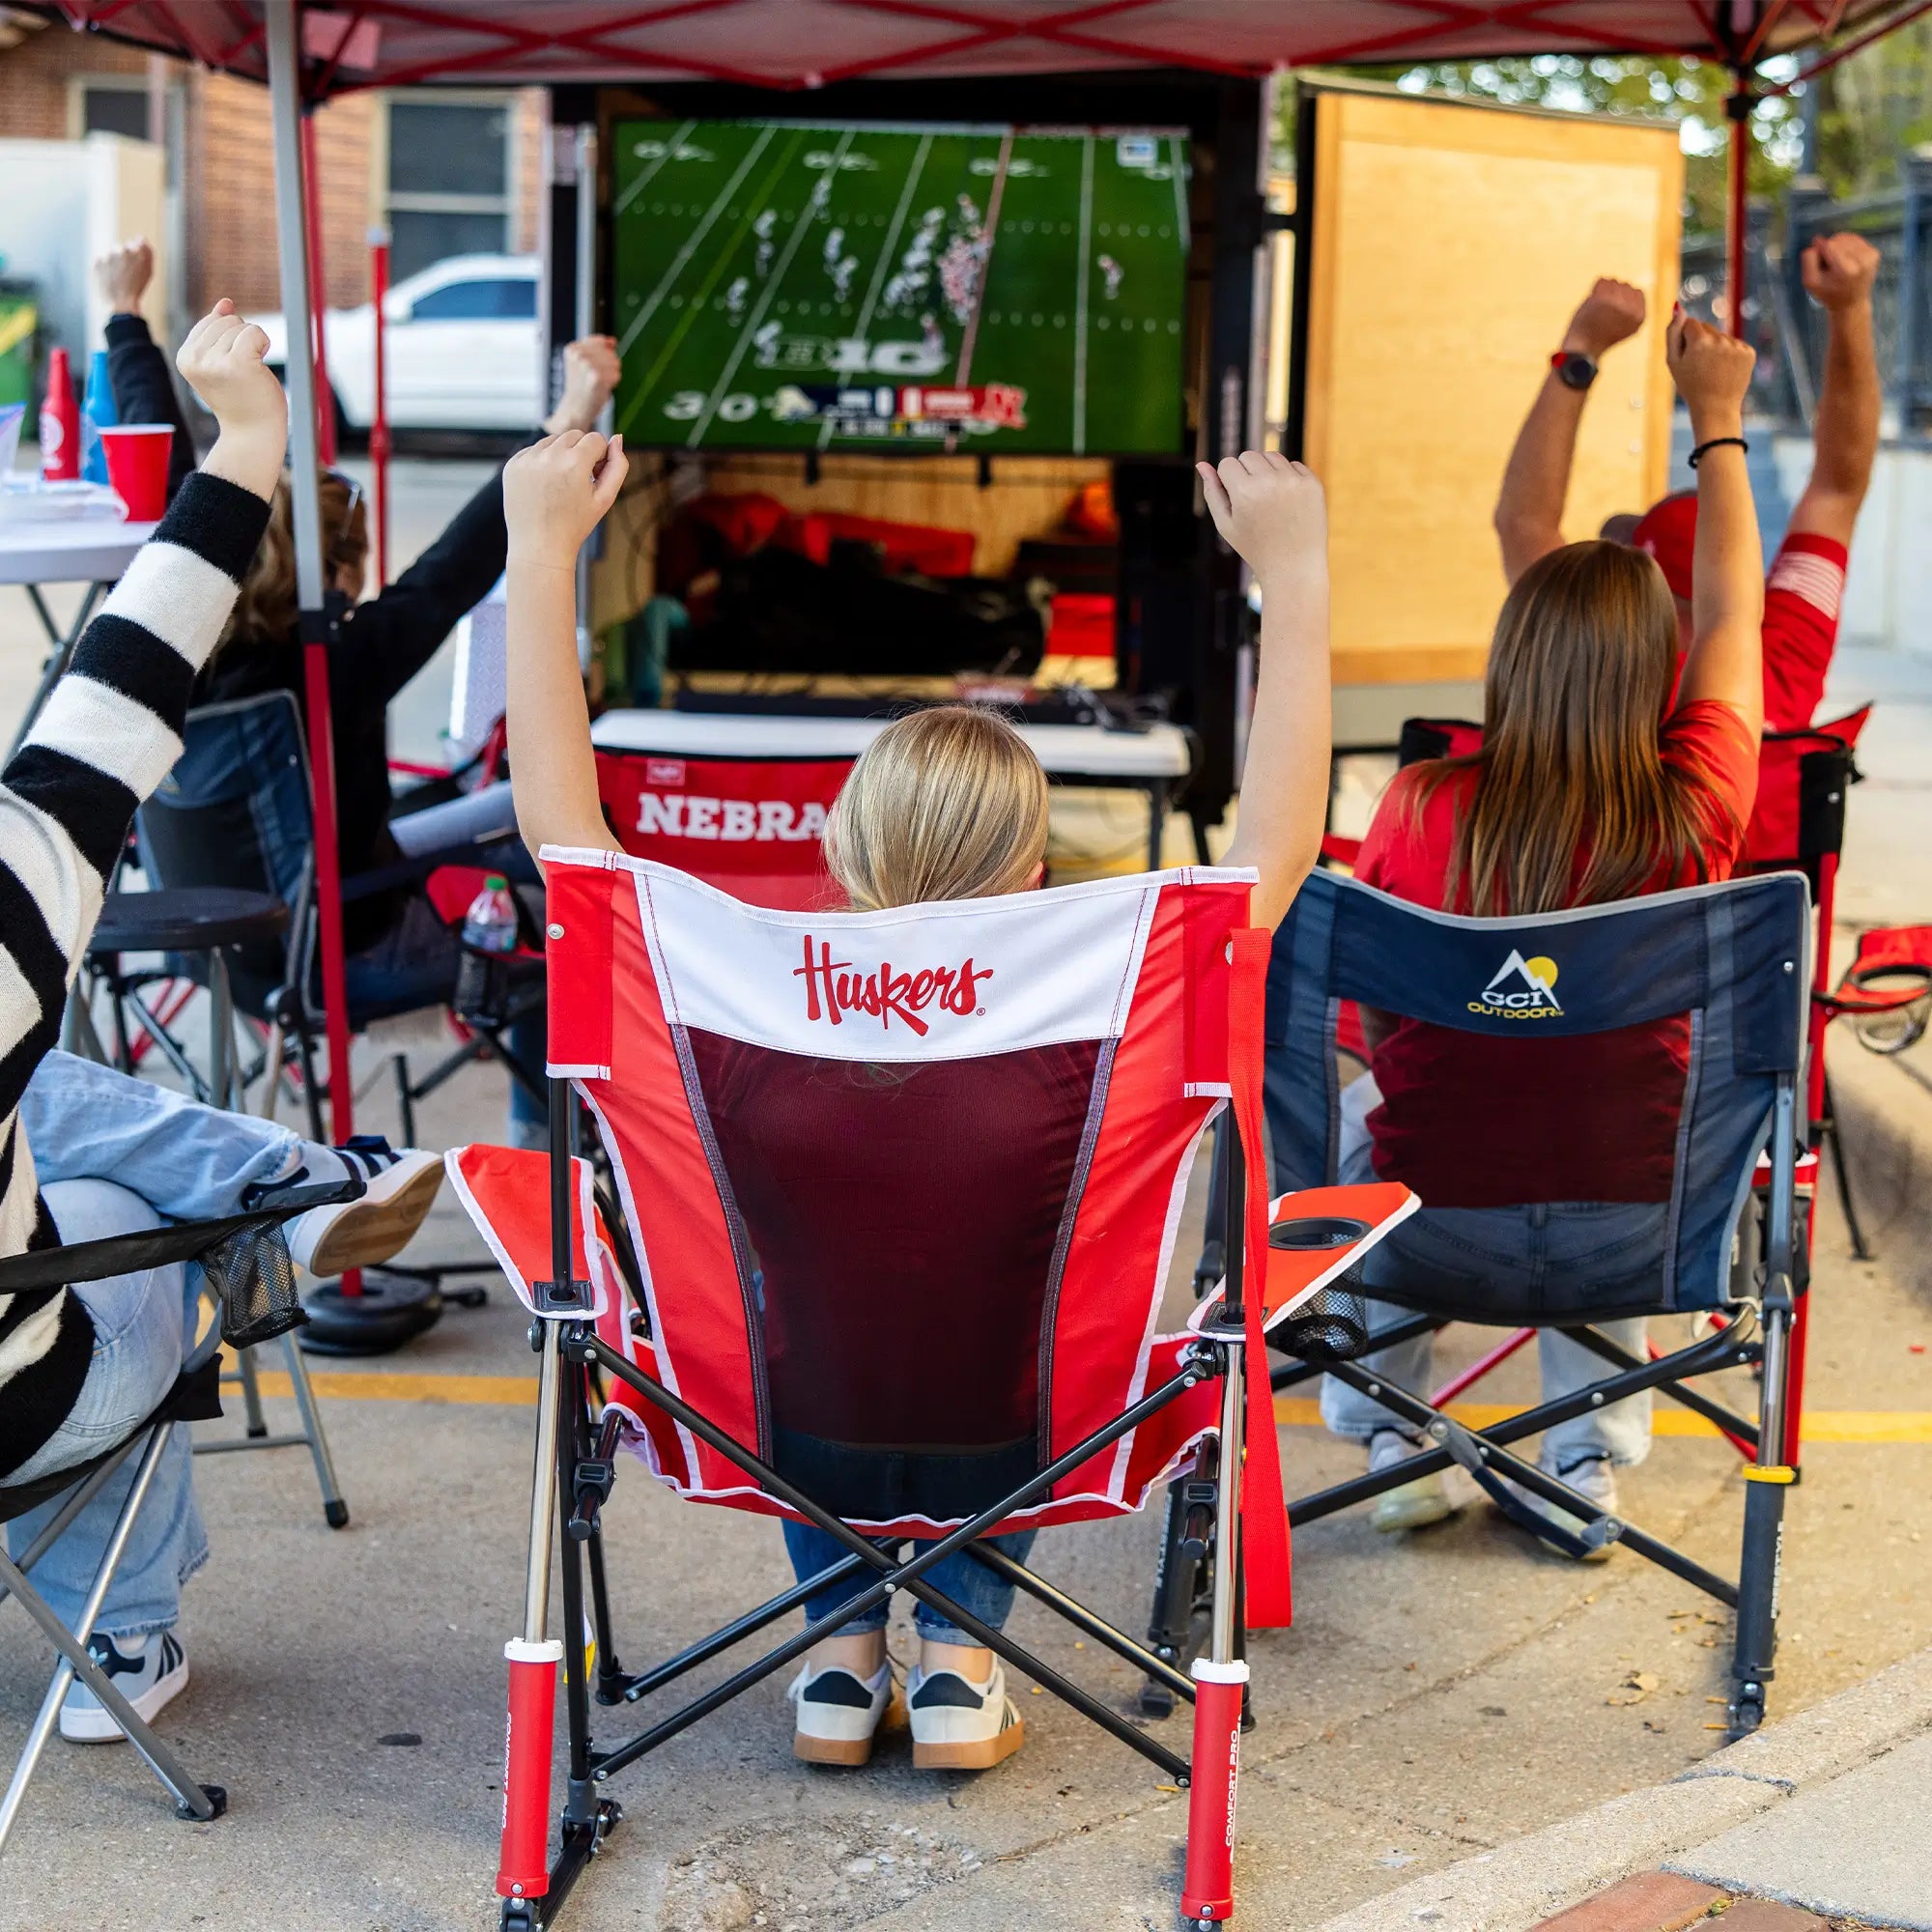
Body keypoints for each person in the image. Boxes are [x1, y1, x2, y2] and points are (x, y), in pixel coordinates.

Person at [498, 430, 1333, 1769]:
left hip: (766, 1431)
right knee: (985, 1300)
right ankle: (956, 1657)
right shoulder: (1109, 983)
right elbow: (1277, 846)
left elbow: (560, 832)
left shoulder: (726, 981)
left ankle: (835, 1656)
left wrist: (541, 554)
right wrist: (1294, 579)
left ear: (841, 842)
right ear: (1036, 861)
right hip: (1034, 1434)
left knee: (811, 1285)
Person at [1, 300, 446, 1742]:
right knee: (99, 1189)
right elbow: (130, 664)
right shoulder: (9, 895)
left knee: (55, 1101)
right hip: (15, 1408)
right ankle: (119, 1642)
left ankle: (289, 1191)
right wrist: (242, 431)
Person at [1325, 313, 1765, 1550]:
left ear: (1509, 659)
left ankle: (1390, 1430)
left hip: (1425, 1229)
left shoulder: (1418, 807)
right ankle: (1580, 1454)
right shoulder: (1695, 809)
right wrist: (1715, 415)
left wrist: (1578, 354)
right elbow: (1734, 603)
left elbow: (1375, 1024)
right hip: (1642, 1236)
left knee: (1393, 1107)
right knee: (1620, 1114)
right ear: (1661, 674)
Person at [93, 238, 623, 1143]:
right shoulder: (336, 663)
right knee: (551, 937)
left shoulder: (168, 645)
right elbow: (467, 554)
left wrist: (124, 315)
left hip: (217, 948)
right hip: (351, 946)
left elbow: (171, 478)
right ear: (339, 573)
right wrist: (575, 411)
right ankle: (560, 1183)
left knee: (461, 806)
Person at [1493, 234, 1880, 734]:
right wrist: (1850, 309)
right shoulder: (1780, 662)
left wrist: (1580, 350)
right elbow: (1837, 490)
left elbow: (1523, 523)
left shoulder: (1590, 665)